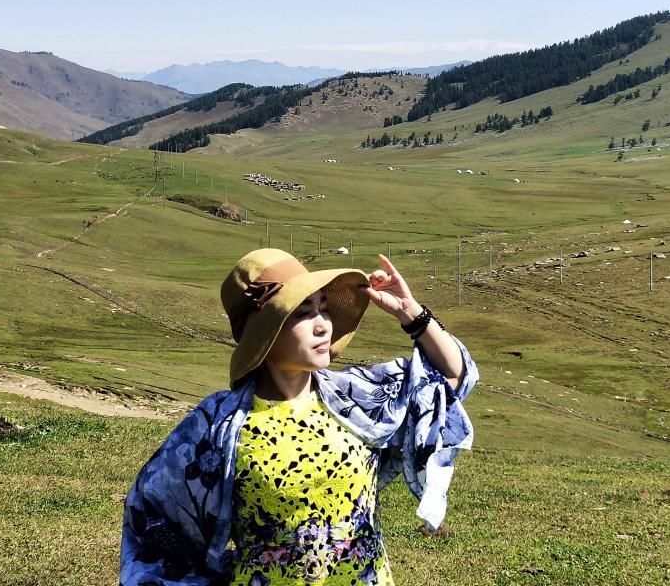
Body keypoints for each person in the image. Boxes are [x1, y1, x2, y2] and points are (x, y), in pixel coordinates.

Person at [120, 248, 478, 585]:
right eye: (304, 313)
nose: (323, 324)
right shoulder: (216, 425)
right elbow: (152, 521)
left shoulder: (356, 395)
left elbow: (451, 377)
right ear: (266, 331)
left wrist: (412, 314)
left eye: (323, 308)